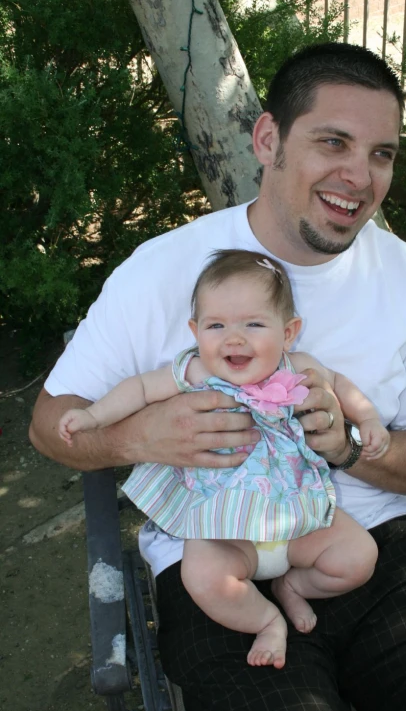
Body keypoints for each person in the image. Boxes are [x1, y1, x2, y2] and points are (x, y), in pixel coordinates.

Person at [29, 42, 406, 711]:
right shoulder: (164, 270)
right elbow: (51, 423)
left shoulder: (404, 275)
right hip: (217, 558)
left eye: (382, 153)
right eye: (333, 141)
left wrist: (349, 446)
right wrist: (141, 434)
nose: (359, 176)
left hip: (367, 547)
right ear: (268, 140)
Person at [57, 249, 389, 669]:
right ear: (196, 331)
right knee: (202, 577)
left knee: (359, 558)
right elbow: (139, 390)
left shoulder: (297, 367)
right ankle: (267, 620)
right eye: (217, 325)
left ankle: (294, 585)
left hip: (301, 516)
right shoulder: (194, 372)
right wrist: (92, 415)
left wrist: (368, 418)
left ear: (288, 332)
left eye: (253, 323)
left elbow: (342, 385)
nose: (234, 338)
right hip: (223, 525)